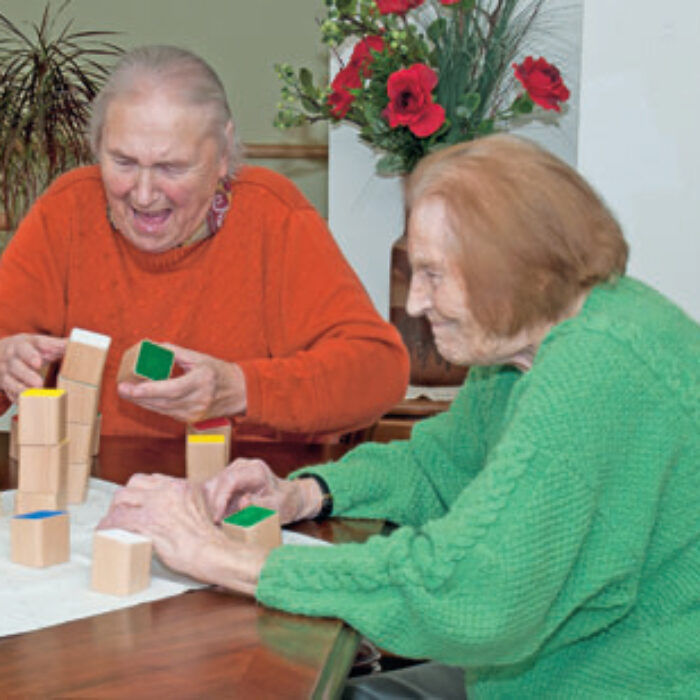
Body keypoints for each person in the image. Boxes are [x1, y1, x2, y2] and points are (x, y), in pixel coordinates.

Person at [99, 134, 700, 698]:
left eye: (435, 275)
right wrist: (306, 492)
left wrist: (224, 558)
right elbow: (439, 466)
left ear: (516, 271)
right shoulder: (530, 341)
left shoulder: (595, 369)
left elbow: (470, 592)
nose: (414, 302)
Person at [0, 45, 409, 443]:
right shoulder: (67, 210)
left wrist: (241, 389)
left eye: (171, 167)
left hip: (243, 495)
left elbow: (379, 371)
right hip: (93, 496)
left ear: (222, 152)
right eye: (123, 162)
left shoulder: (273, 215)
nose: (143, 195)